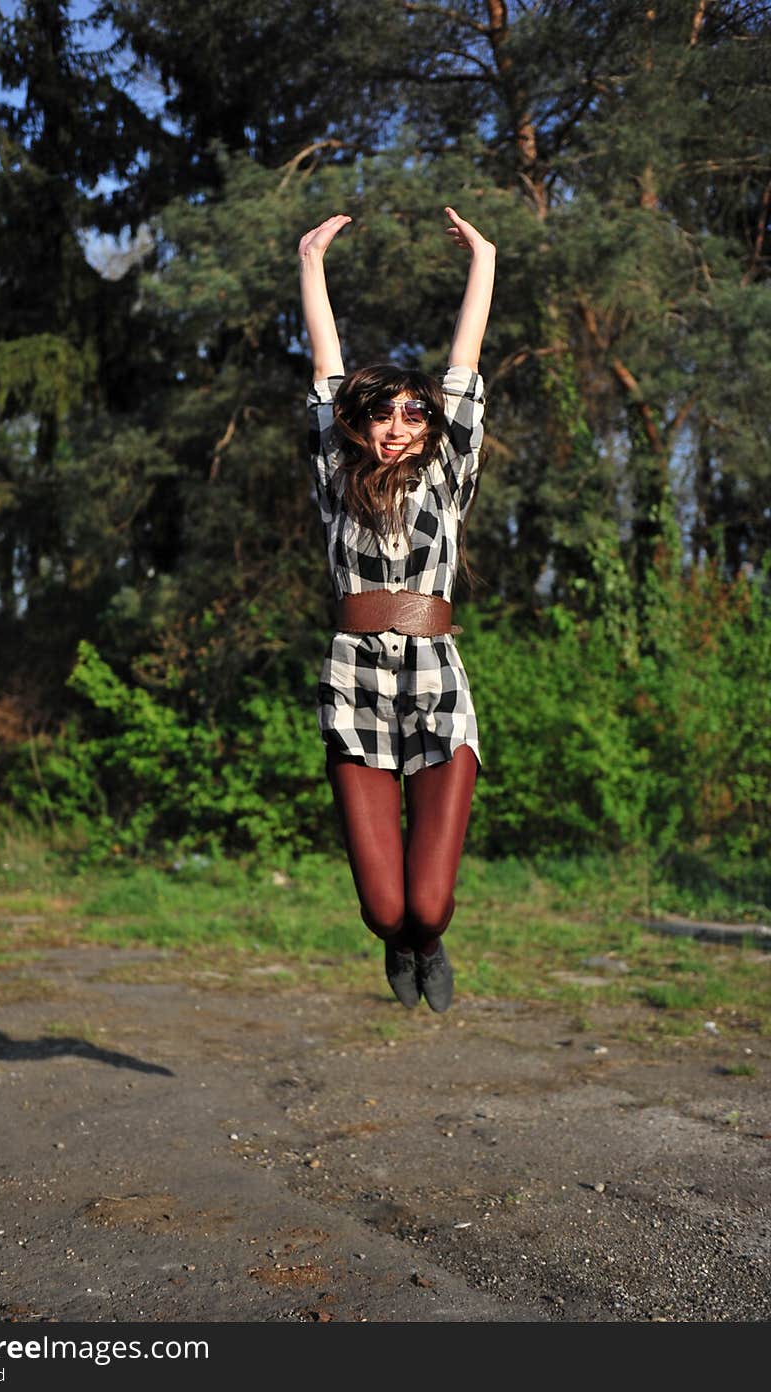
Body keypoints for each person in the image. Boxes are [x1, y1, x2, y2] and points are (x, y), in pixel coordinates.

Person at [299, 205, 496, 1013]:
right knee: (384, 910)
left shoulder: (448, 475)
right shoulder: (334, 476)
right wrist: (311, 261)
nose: (398, 426)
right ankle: (401, 944)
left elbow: (463, 364)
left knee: (431, 905)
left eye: (413, 413)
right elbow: (326, 366)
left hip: (437, 684)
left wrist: (482, 262)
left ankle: (430, 940)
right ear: (359, 423)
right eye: (381, 412)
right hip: (353, 682)